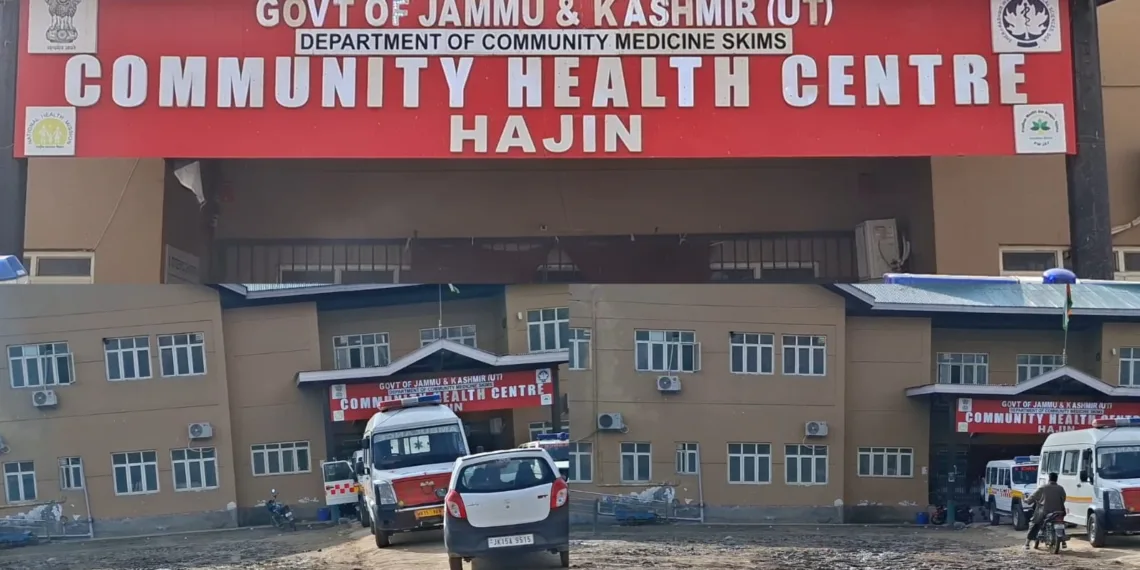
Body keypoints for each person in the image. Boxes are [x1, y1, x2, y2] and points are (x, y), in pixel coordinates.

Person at [1024, 472, 1067, 550]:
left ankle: (1027, 543)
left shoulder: (1043, 487)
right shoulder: (1061, 488)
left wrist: (1027, 500)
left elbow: (1033, 497)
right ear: (1056, 479)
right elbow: (1063, 498)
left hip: (1045, 512)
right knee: (1060, 522)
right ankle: (1063, 542)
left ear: (1049, 479)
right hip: (1058, 512)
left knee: (1034, 523)